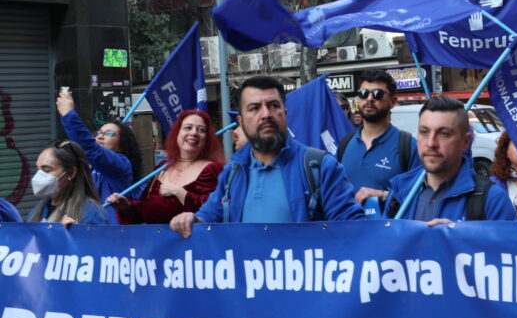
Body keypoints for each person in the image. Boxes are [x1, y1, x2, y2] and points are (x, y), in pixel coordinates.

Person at [170, 76, 363, 237]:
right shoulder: (232, 173)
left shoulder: (321, 167)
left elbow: (355, 232)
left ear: (285, 113)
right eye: (254, 108)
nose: (266, 114)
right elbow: (209, 216)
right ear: (241, 120)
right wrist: (192, 220)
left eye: (273, 105)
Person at [384, 95, 516, 223]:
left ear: (465, 142)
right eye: (424, 132)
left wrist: (458, 239)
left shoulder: (491, 199)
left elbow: (509, 245)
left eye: (444, 134)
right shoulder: (400, 192)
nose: (431, 143)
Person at [106, 110, 224, 224]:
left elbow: (214, 211)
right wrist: (126, 207)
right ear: (177, 133)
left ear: (206, 138)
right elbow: (144, 210)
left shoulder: (212, 169)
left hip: (191, 242)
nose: (193, 133)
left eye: (201, 130)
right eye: (188, 128)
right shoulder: (162, 167)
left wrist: (180, 193)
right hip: (155, 241)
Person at [337, 70, 421, 206]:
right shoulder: (345, 144)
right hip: (348, 226)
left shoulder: (408, 146)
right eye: (363, 94)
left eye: (377, 94)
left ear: (393, 101)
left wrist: (385, 196)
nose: (369, 99)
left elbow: (420, 198)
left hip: (390, 226)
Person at [56, 90, 140, 223]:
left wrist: (68, 115)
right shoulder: (88, 166)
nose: (100, 136)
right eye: (98, 132)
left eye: (109, 133)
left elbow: (92, 150)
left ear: (121, 146)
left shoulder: (121, 164)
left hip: (111, 236)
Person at [27, 140, 107, 225]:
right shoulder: (39, 209)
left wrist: (75, 233)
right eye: (38, 169)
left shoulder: (90, 212)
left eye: (47, 169)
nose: (39, 175)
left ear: (72, 172)